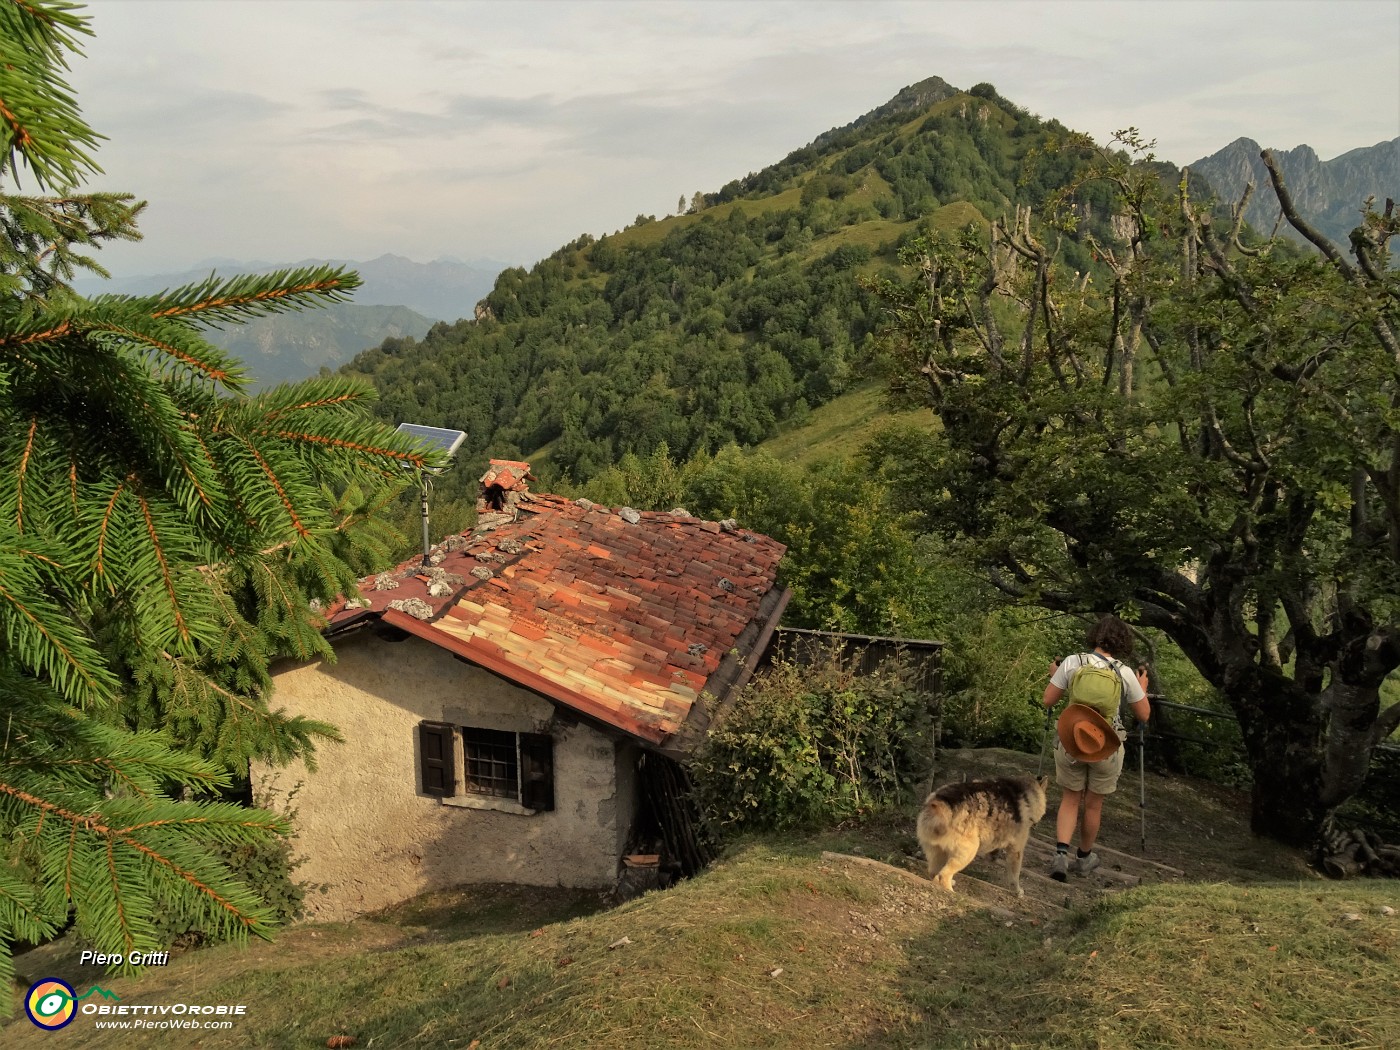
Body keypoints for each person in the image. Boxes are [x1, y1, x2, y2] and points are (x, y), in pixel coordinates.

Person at [1041, 614, 1150, 880]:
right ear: (1123, 641)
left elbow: (1048, 700)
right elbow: (1144, 715)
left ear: (1095, 636)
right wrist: (1142, 688)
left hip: (1072, 739)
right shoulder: (1124, 672)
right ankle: (1084, 858)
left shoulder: (1072, 662)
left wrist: (1056, 677)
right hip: (1106, 745)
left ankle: (1060, 856)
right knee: (1093, 805)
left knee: (1070, 798)